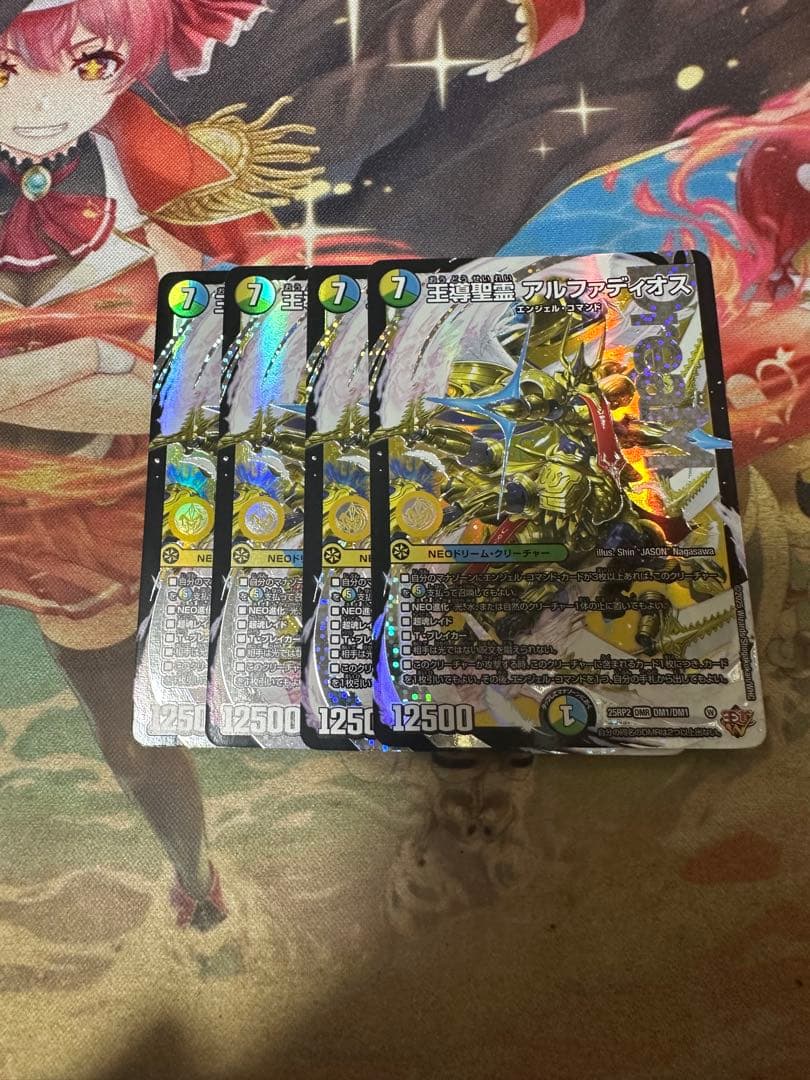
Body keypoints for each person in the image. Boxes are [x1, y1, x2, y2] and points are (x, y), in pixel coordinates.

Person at [0, 0, 387, 931]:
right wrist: (89, 368)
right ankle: (197, 879)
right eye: (6, 72)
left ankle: (212, 873)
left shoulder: (166, 189)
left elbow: (268, 364)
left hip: (172, 492)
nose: (42, 102)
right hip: (47, 529)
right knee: (133, 745)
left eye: (90, 65)